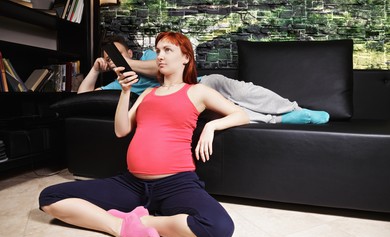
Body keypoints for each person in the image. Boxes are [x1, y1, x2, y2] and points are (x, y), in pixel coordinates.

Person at [39, 31, 250, 237]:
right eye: (158, 51)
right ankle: (121, 227)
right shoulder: (147, 93)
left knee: (218, 229)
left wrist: (211, 126)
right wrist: (125, 91)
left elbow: (241, 114)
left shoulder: (197, 91)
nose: (160, 56)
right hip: (131, 184)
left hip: (176, 184)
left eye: (168, 50)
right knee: (50, 197)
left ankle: (144, 221)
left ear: (186, 57)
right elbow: (121, 130)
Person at [78, 35, 329, 125]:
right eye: (110, 58)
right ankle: (283, 119)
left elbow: (161, 67)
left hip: (201, 83)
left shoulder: (150, 56)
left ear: (129, 53)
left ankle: (292, 108)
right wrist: (96, 70)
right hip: (179, 99)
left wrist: (126, 63)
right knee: (230, 112)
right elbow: (82, 99)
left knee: (244, 91)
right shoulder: (119, 82)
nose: (114, 62)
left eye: (116, 56)